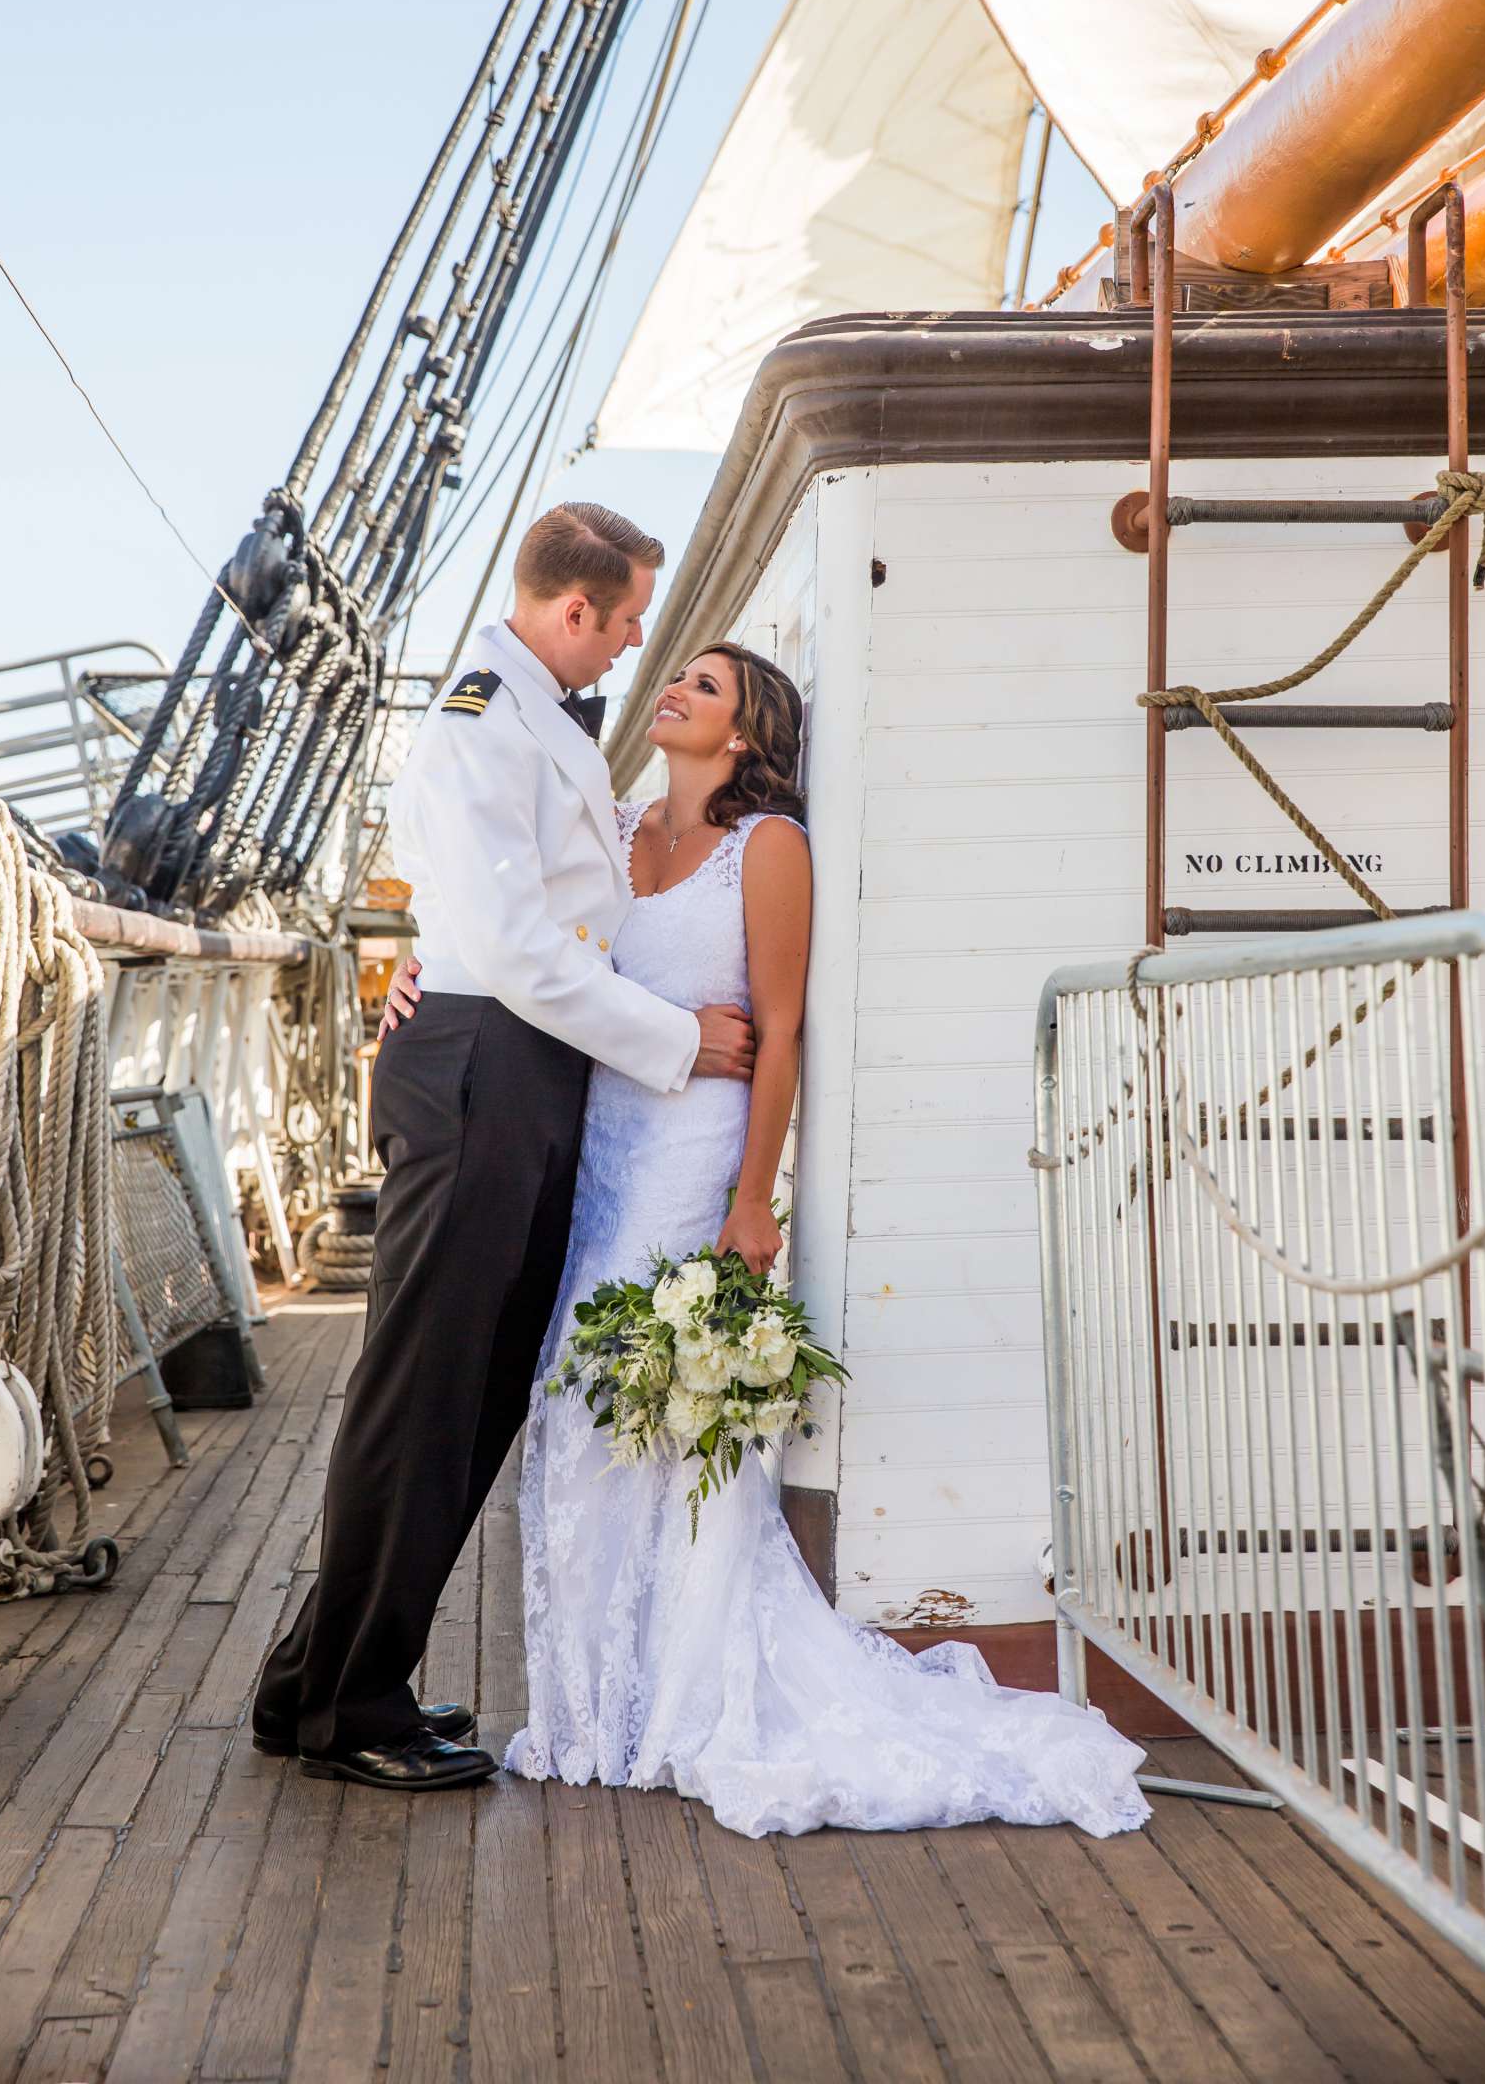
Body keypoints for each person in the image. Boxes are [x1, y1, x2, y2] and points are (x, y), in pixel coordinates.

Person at [384, 637, 1150, 1839]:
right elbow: (507, 925)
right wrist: (424, 973)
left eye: (704, 688)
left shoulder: (769, 847)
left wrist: (755, 1200)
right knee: (580, 1418)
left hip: (695, 1156)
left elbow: (779, 1035)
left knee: (672, 1421)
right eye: (677, 677)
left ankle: (681, 1703)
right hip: (593, 1149)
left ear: (742, 734)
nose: (673, 692)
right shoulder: (616, 827)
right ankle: (590, 1710)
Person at [252, 504, 756, 1789]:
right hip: (486, 1061)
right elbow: (523, 947)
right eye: (630, 618)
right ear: (574, 611)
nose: (636, 641)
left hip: (515, 1058)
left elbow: (516, 916)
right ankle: (352, 1712)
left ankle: (315, 1680)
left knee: (466, 1396)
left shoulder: (537, 717)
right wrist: (677, 1041)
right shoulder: (485, 719)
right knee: (424, 1394)